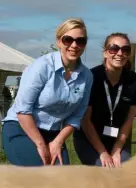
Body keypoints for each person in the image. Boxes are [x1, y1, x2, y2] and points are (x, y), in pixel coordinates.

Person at [1, 18, 93, 166]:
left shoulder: (87, 76)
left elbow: (77, 116)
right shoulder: (41, 67)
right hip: (22, 129)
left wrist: (57, 142)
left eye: (80, 41)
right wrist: (41, 145)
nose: (74, 45)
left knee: (63, 178)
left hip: (53, 134)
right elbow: (23, 110)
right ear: (58, 41)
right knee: (41, 175)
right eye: (68, 39)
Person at [73, 32, 136, 167]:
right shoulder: (91, 77)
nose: (120, 53)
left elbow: (129, 120)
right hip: (89, 139)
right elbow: (85, 121)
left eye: (125, 49)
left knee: (124, 170)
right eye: (114, 48)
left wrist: (116, 150)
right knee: (102, 169)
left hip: (117, 140)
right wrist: (103, 152)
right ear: (105, 53)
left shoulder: (134, 80)